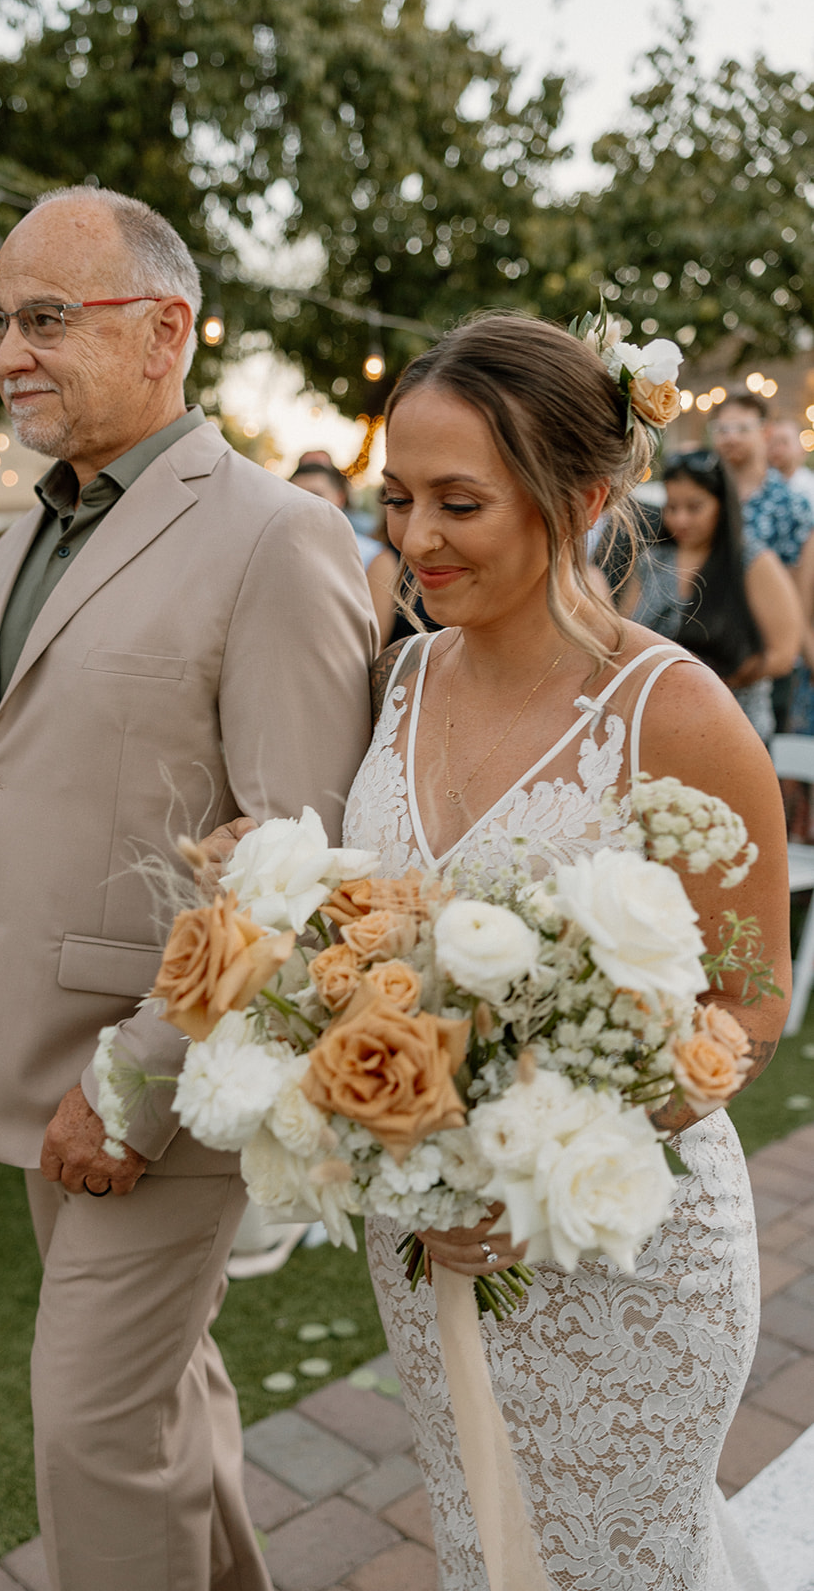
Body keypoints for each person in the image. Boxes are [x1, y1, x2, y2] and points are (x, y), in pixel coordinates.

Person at [0, 186, 376, 1591]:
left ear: (166, 331)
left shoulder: (274, 537)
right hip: (21, 1059)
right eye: (0, 319)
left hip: (166, 1082)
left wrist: (131, 1081)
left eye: (47, 318)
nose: (9, 350)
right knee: (156, 1397)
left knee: (93, 1434)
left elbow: (292, 848)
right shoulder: (20, 545)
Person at [339, 317, 787, 1587]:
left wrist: (549, 1164)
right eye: (396, 500)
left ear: (581, 498)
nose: (413, 539)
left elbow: (749, 1008)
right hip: (427, 1239)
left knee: (623, 1561)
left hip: (620, 1255)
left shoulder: (677, 714)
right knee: (482, 1541)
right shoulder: (402, 680)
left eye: (457, 501)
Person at [623, 449, 802, 742]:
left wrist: (720, 678)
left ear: (722, 505)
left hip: (734, 728)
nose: (680, 519)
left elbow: (783, 654)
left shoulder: (751, 560)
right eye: (672, 507)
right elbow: (627, 632)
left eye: (694, 508)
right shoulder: (653, 560)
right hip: (659, 727)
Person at [712, 393, 814, 732]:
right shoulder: (705, 503)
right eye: (723, 429)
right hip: (709, 653)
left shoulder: (792, 506)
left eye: (742, 427)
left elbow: (801, 592)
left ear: (765, 432)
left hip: (772, 658)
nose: (731, 437)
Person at [766, 416, 814, 509]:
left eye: (784, 442)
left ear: (801, 449)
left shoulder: (810, 487)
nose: (777, 449)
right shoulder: (762, 485)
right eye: (773, 442)